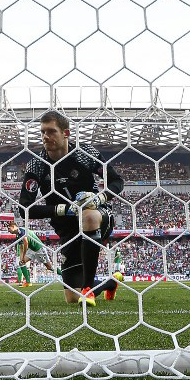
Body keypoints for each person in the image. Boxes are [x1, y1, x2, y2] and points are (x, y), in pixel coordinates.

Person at [19, 110, 124, 306]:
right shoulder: (37, 165)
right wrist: (65, 209)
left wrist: (99, 198)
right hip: (67, 229)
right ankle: (111, 281)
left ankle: (87, 288)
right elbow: (24, 209)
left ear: (66, 133)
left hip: (98, 217)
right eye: (42, 132)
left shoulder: (86, 154)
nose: (45, 136)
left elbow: (117, 181)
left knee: (89, 217)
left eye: (51, 131)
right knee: (72, 299)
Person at [7, 219, 61, 287]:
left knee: (49, 267)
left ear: (13, 226)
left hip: (39, 248)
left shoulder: (22, 231)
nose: (8, 231)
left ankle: (63, 275)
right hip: (31, 249)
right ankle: (28, 282)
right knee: (21, 263)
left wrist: (24, 255)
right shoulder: (17, 236)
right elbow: (21, 247)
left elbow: (26, 243)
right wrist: (22, 258)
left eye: (9, 228)